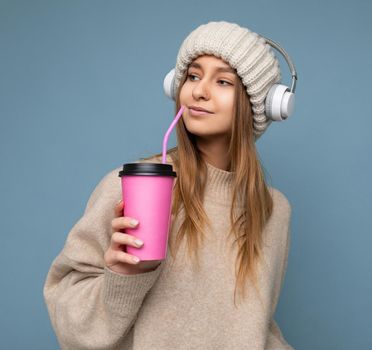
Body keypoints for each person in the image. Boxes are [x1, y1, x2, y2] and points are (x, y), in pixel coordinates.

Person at [43, 20, 295, 349]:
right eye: (192, 75)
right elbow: (70, 320)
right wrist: (125, 278)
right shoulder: (129, 187)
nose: (199, 90)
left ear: (260, 104)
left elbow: (254, 326)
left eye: (222, 81)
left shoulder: (273, 211)